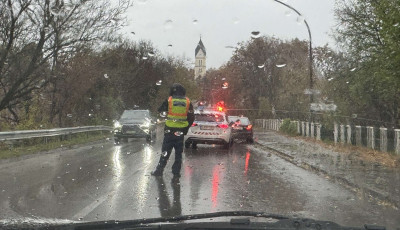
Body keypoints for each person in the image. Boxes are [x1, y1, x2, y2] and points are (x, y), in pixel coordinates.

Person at [151, 83, 194, 177]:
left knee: (165, 152)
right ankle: (176, 173)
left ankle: (159, 170)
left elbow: (160, 110)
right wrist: (185, 128)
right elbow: (191, 118)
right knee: (178, 154)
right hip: (181, 131)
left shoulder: (169, 100)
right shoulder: (188, 102)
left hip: (169, 131)